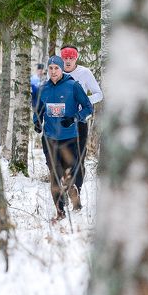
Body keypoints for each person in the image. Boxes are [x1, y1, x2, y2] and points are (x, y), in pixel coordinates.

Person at [34, 55, 93, 222]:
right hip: (49, 137)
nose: (53, 71)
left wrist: (75, 118)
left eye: (56, 68)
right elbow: (38, 110)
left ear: (62, 69)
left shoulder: (73, 85)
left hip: (69, 137)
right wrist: (37, 122)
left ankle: (75, 199)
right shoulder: (43, 88)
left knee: (68, 173)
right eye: (51, 68)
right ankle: (60, 211)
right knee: (54, 172)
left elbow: (88, 107)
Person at [59, 45, 102, 202]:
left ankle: (76, 191)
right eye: (65, 58)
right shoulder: (57, 72)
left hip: (80, 121)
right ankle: (63, 191)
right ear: (61, 58)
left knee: (79, 158)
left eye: (71, 58)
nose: (68, 61)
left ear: (76, 58)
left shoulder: (84, 73)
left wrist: (84, 100)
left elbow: (99, 94)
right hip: (61, 122)